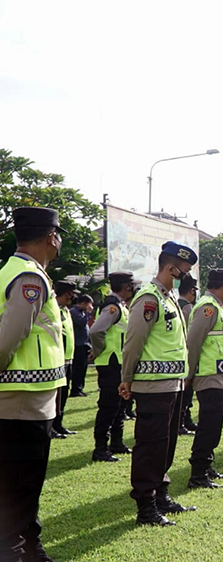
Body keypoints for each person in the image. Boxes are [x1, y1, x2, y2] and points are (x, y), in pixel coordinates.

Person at [0, 207, 68, 562]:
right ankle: (14, 551)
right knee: (20, 485)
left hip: (25, 399)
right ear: (50, 237)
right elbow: (9, 338)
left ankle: (29, 546)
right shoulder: (29, 278)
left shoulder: (10, 271)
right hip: (22, 399)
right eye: (58, 236)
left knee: (21, 483)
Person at [119, 241, 199, 526]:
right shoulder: (149, 297)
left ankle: (161, 494)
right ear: (171, 268)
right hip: (153, 385)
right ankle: (146, 507)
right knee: (150, 446)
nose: (186, 276)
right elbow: (133, 342)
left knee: (166, 444)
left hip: (172, 384)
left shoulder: (169, 298)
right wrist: (126, 378)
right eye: (185, 271)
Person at [183, 269, 223, 489]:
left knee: (214, 424)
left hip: (218, 374)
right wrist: (189, 374)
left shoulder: (217, 307)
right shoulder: (208, 308)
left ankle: (207, 467)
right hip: (208, 374)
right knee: (209, 425)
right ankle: (198, 474)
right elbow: (193, 342)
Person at [90, 271, 137, 462]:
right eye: (132, 286)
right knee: (109, 406)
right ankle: (100, 448)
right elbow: (96, 331)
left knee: (120, 404)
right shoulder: (112, 308)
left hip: (118, 363)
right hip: (111, 363)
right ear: (126, 287)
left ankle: (116, 443)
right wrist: (99, 351)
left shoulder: (121, 307)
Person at [52, 281, 80, 439]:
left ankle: (58, 424)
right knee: (56, 396)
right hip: (58, 360)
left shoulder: (65, 310)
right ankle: (52, 426)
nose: (73, 297)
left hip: (68, 358)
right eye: (71, 293)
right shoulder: (53, 309)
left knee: (64, 394)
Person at [176, 274, 199, 436]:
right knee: (186, 390)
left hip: (178, 352)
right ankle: (181, 423)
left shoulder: (176, 304)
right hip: (186, 353)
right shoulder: (188, 307)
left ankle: (186, 420)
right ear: (192, 290)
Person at [69, 293, 94, 397]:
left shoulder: (82, 312)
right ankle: (75, 389)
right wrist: (88, 313)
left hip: (84, 344)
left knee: (83, 368)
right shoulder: (74, 312)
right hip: (78, 344)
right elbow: (81, 323)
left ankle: (80, 388)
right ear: (83, 303)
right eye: (89, 304)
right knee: (78, 368)